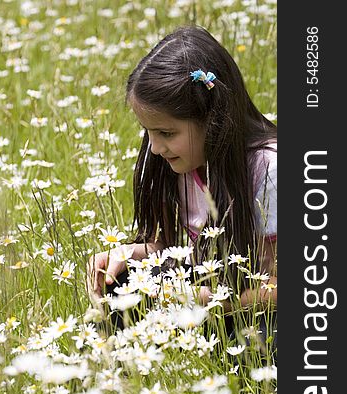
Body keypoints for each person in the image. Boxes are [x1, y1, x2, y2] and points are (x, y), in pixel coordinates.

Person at [87, 25, 276, 345]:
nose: (156, 148)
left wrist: (214, 302)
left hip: (257, 309)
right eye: (148, 132)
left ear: (213, 119)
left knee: (263, 344)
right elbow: (178, 249)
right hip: (210, 294)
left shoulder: (269, 170)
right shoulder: (185, 163)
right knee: (123, 281)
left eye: (167, 133)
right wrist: (128, 253)